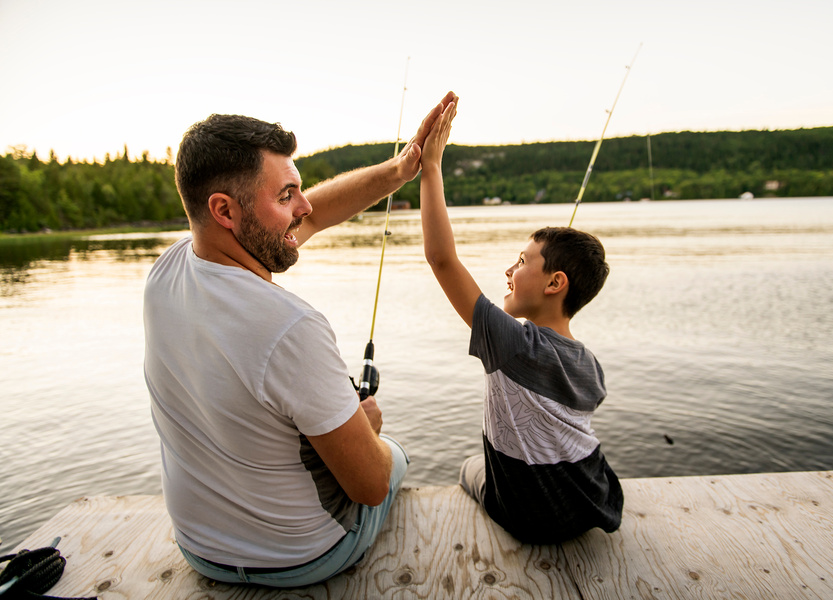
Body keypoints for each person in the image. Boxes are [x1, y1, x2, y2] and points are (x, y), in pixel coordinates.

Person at [143, 92, 456, 587]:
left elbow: (311, 217)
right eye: (286, 195)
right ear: (224, 210)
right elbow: (370, 487)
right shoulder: (291, 327)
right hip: (301, 558)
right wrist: (365, 428)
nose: (305, 207)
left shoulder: (166, 272)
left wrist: (398, 172)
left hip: (200, 550)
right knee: (390, 455)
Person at [418, 97, 623, 544]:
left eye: (522, 261)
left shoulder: (511, 343)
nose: (509, 272)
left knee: (468, 468)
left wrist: (431, 167)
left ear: (555, 284)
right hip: (595, 501)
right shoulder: (590, 363)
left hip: (532, 517)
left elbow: (441, 259)